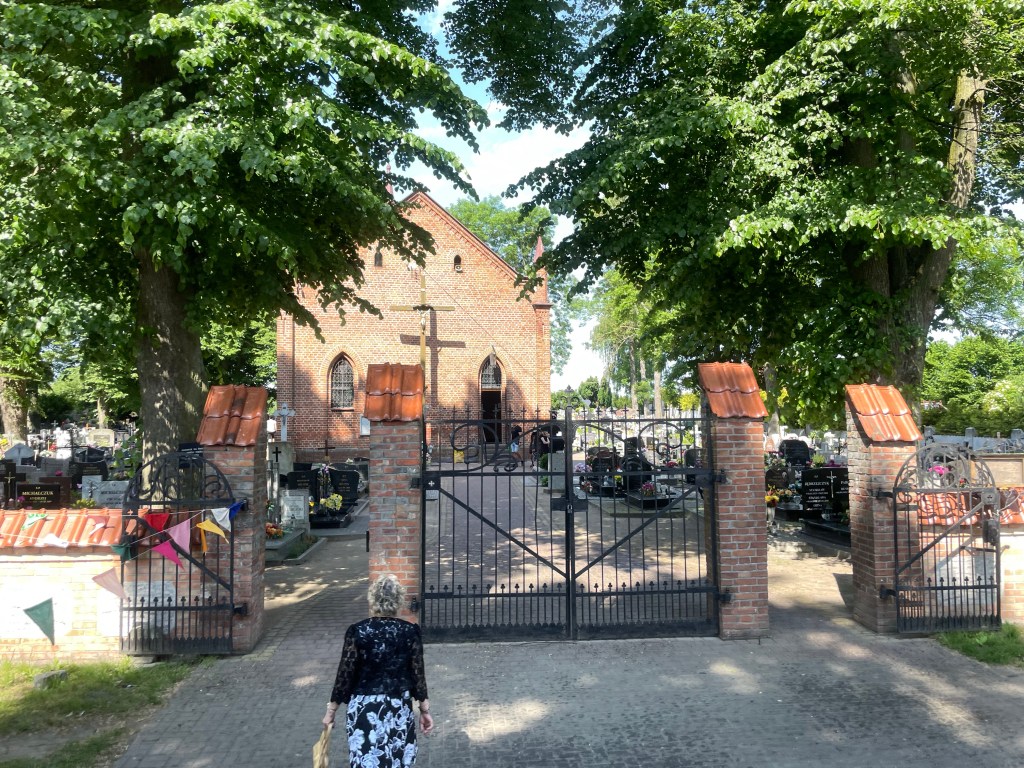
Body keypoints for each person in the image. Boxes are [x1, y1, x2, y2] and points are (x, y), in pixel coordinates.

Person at [323, 574, 434, 766]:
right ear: (399, 601)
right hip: (398, 708)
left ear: (372, 600)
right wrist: (424, 710)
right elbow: (418, 676)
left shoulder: (357, 631)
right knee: (397, 761)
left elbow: (345, 675)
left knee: (367, 760)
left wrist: (331, 711)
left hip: (364, 709)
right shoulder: (409, 632)